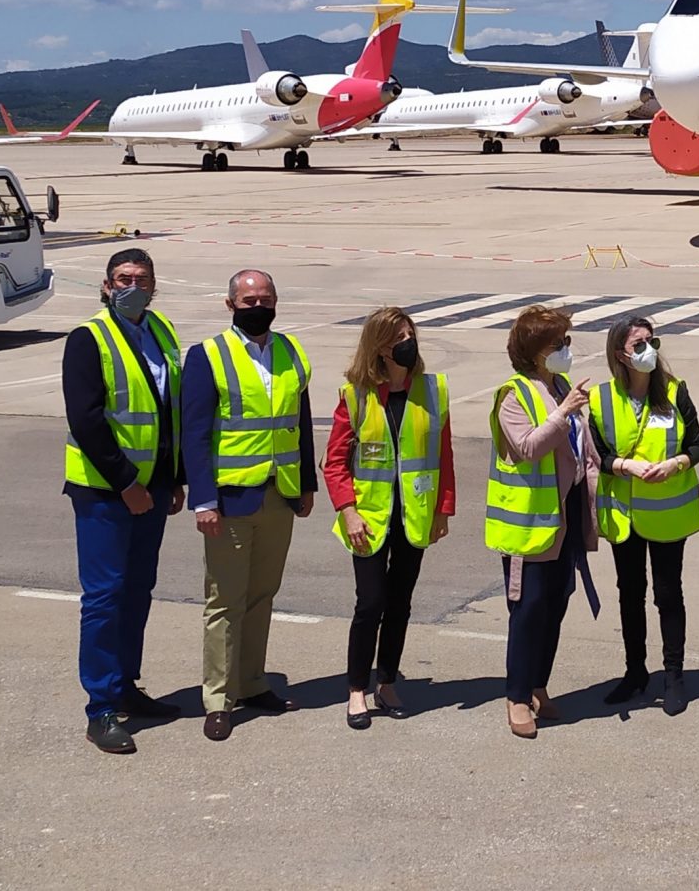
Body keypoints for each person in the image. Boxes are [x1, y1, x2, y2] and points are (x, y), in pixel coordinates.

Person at [181, 268, 316, 743]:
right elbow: (194, 435)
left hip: (279, 494)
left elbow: (299, 421)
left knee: (262, 596)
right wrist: (203, 501)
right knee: (224, 602)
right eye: (248, 300)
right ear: (231, 304)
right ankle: (218, 698)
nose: (258, 307)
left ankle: (252, 682)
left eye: (266, 298)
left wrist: (306, 485)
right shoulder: (207, 356)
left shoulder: (291, 352)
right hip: (230, 499)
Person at [62, 248, 186, 754]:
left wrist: (173, 478)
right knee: (105, 597)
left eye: (141, 278)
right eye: (122, 279)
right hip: (105, 492)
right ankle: (101, 708)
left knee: (139, 590)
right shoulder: (88, 339)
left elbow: (169, 410)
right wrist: (125, 483)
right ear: (107, 285)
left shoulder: (162, 332)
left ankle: (126, 685)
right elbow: (87, 420)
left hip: (154, 487)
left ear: (154, 285)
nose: (132, 286)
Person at [321, 305, 455, 729]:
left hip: (414, 515)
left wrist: (443, 508)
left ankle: (388, 681)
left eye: (409, 332)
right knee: (371, 603)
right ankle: (356, 689)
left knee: (401, 603)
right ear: (378, 347)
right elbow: (335, 462)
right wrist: (347, 510)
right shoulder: (355, 395)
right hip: (370, 519)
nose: (406, 341)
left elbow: (443, 454)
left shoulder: (433, 390)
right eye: (396, 336)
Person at [486, 303, 601, 739]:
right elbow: (528, 446)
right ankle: (516, 696)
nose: (567, 350)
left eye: (567, 341)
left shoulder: (560, 385)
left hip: (565, 509)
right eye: (559, 344)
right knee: (529, 607)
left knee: (557, 600)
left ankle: (538, 684)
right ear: (535, 352)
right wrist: (563, 412)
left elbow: (577, 445)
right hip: (530, 520)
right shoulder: (514, 395)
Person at [587, 315, 699, 716]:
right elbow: (597, 454)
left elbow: (698, 445)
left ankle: (674, 674)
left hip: (668, 513)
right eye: (638, 345)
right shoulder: (602, 398)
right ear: (620, 354)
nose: (648, 350)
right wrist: (624, 466)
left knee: (668, 595)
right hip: (627, 515)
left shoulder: (674, 391)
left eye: (651, 342)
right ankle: (635, 672)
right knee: (630, 593)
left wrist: (675, 465)